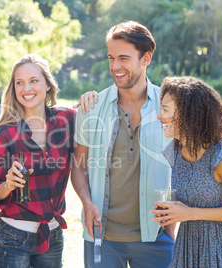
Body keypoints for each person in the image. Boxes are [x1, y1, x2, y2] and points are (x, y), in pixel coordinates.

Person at [71, 21, 175, 267]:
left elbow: (177, 170)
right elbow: (78, 166)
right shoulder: (91, 107)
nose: (115, 66)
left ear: (146, 58)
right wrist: (87, 203)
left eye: (124, 58)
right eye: (111, 58)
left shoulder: (169, 108)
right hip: (101, 238)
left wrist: (170, 232)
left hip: (156, 239)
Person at [0, 54, 76, 267]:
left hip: (52, 236)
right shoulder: (5, 135)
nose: (26, 88)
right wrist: (7, 184)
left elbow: (94, 112)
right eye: (19, 83)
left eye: (34, 81)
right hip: (11, 239)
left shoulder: (66, 120)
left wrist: (91, 97)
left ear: (48, 85)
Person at [151, 76, 222, 267]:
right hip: (186, 250)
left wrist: (190, 213)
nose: (159, 116)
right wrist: (171, 212)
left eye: (165, 110)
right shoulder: (174, 152)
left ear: (187, 114)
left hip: (220, 251)